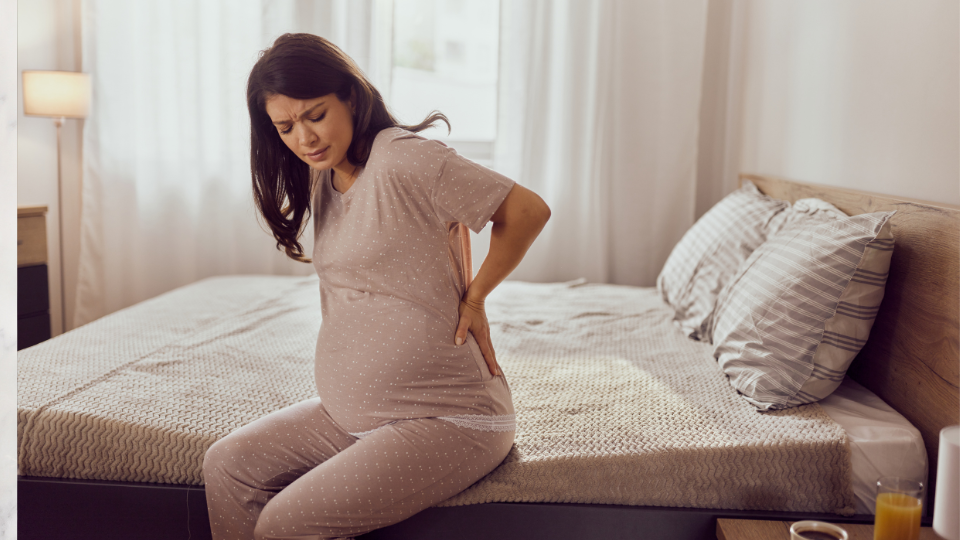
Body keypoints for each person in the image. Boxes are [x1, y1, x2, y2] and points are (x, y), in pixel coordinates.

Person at [202, 33, 550, 540]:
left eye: (315, 115)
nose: (304, 138)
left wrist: (475, 297)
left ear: (351, 96)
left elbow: (526, 211)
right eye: (286, 127)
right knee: (226, 466)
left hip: (448, 417)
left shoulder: (403, 158)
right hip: (354, 414)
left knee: (283, 524)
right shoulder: (328, 174)